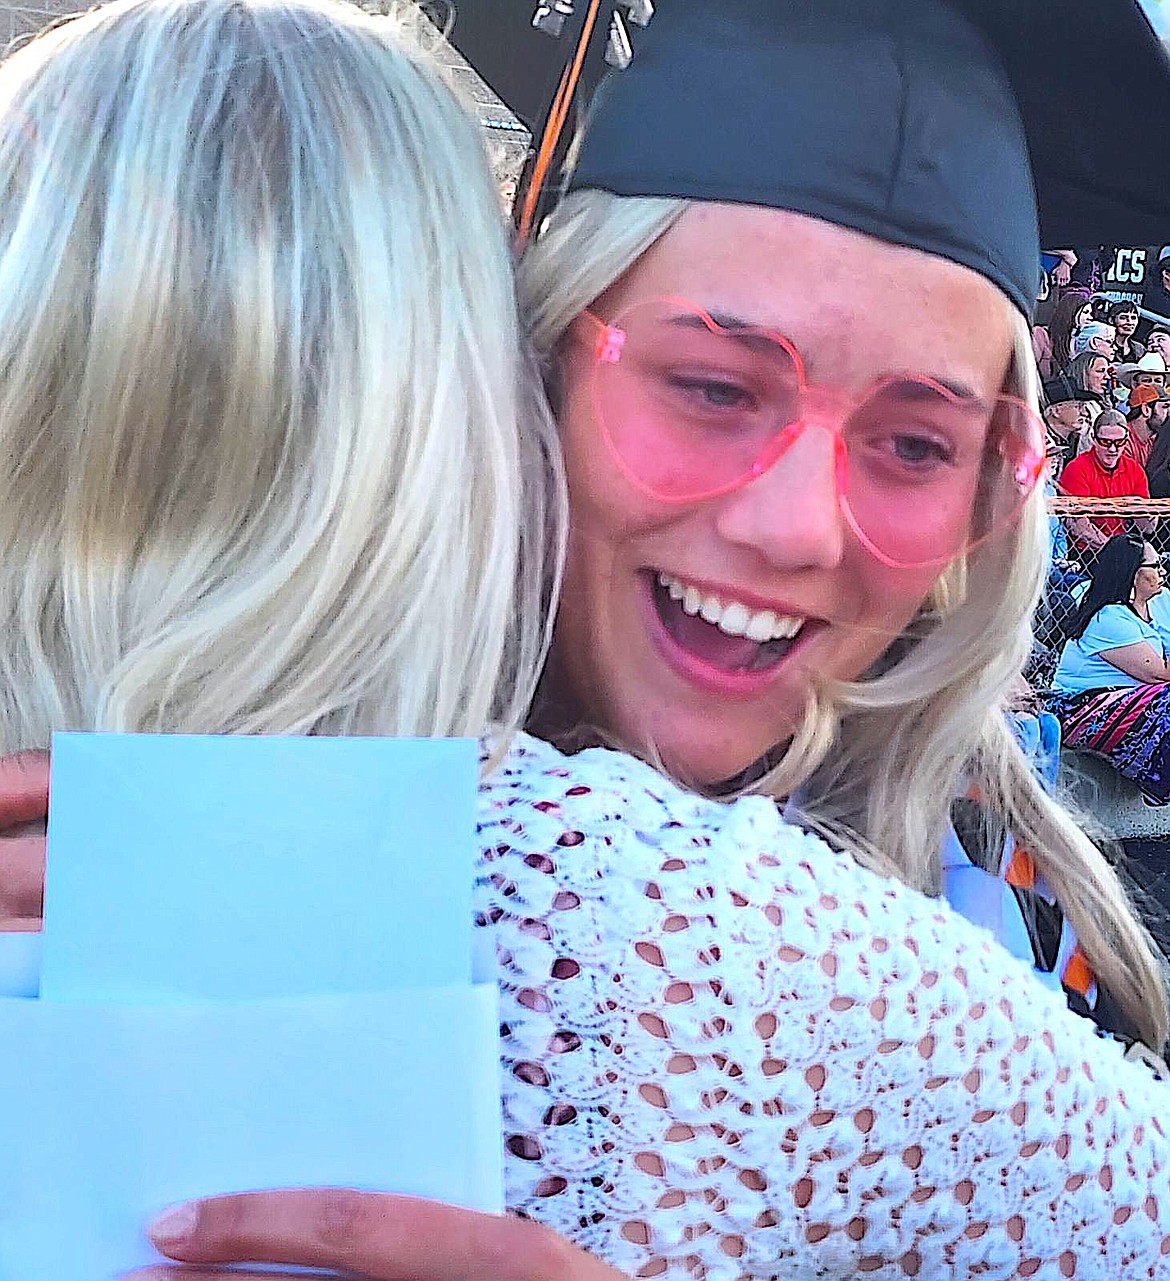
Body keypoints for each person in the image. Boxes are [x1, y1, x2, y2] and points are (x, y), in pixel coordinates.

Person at [5, 1, 1170, 1279]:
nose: (792, 529)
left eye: (913, 444)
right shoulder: (148, 789)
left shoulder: (996, 953)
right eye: (714, 387)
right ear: (530, 362)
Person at [1050, 534, 1170, 804]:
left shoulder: (1160, 602)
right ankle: (1157, 782)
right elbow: (1159, 673)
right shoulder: (1108, 617)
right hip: (1079, 706)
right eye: (1155, 565)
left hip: (1128, 701)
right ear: (1133, 574)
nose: (1162, 571)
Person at [1059, 412, 1153, 553]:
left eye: (1119, 442)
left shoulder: (1134, 469)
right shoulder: (1077, 468)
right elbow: (1079, 526)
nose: (1112, 449)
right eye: (1105, 442)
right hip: (1085, 551)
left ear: (1126, 440)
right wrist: (1113, 550)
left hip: (1121, 544)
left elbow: (1148, 527)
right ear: (1093, 439)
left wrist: (1147, 512)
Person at [1041, 373, 1095, 474]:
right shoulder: (1039, 443)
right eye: (1077, 406)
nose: (1084, 412)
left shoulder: (1079, 438)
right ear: (1056, 411)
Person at [1112, 298, 1146, 364]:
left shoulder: (1140, 349)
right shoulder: (1104, 345)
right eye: (1123, 318)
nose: (1130, 322)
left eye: (1133, 318)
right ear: (1111, 320)